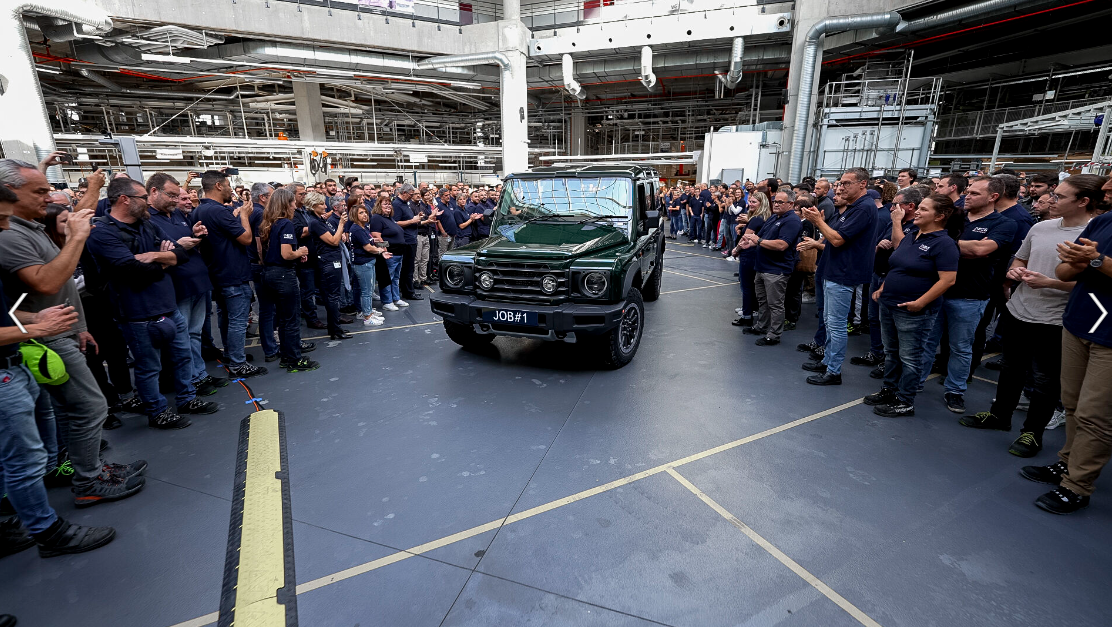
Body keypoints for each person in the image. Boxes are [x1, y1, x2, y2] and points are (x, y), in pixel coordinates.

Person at [0, 159, 146, 506]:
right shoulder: (11, 235)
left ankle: (82, 467)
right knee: (90, 406)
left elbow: (61, 276)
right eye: (39, 191)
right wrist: (77, 236)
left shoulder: (30, 227)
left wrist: (79, 327)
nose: (48, 196)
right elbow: (47, 282)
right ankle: (89, 480)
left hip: (58, 330)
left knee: (66, 410)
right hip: (45, 336)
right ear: (9, 193)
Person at [961, 174, 1097, 456]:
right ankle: (1000, 415)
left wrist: (1050, 283)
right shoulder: (1041, 228)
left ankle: (1032, 433)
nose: (1050, 200)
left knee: (1045, 379)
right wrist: (1015, 271)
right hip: (1020, 310)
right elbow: (1020, 258)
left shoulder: (1095, 235)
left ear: (1083, 201)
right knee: (1011, 369)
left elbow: (1094, 284)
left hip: (1056, 319)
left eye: (1060, 197)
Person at [86, 176, 219, 427]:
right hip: (137, 311)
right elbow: (131, 269)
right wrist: (165, 260)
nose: (147, 202)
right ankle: (157, 411)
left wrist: (155, 256)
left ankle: (187, 398)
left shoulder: (146, 225)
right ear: (124, 199)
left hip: (167, 304)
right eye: (143, 198)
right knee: (149, 367)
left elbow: (180, 255)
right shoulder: (102, 232)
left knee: (182, 356)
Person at [0, 290, 118, 558]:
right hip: (5, 372)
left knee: (17, 456)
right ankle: (48, 533)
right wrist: (38, 328)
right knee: (24, 460)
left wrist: (34, 319)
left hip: (14, 361)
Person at [1019, 174, 1112, 514]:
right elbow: (1063, 272)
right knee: (1072, 403)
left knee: (1095, 414)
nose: (1106, 188)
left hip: (1109, 334)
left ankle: (1077, 485)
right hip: (1079, 322)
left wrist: (1096, 261)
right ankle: (1068, 462)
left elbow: (1092, 263)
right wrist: (1078, 261)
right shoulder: (1102, 222)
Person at [917, 177, 1017, 413]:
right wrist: (964, 247)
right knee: (927, 341)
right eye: (968, 192)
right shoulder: (956, 217)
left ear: (993, 197)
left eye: (974, 193)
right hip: (936, 290)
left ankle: (955, 391)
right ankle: (915, 381)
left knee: (961, 347)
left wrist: (943, 244)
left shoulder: (1004, 223)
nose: (967, 196)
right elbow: (925, 238)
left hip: (970, 295)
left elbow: (981, 249)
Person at [864, 194, 960, 417]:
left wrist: (920, 302)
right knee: (892, 352)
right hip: (890, 303)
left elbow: (948, 280)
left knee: (910, 357)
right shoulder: (912, 236)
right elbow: (899, 265)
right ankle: (889, 390)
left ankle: (905, 400)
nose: (917, 211)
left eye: (924, 209)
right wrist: (884, 287)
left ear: (940, 216)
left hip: (913, 309)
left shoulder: (944, 244)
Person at [145, 173, 228, 397]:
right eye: (172, 195)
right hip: (177, 286)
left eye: (177, 196)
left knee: (195, 334)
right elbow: (155, 254)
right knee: (182, 338)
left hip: (198, 282)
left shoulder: (177, 215)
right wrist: (178, 246)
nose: (176, 200)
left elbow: (181, 245)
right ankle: (190, 380)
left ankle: (199, 374)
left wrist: (194, 234)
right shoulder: (148, 220)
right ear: (154, 192)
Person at [801, 168, 878, 386]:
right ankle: (827, 361)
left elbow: (836, 240)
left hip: (843, 273)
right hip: (834, 270)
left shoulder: (864, 208)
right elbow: (831, 236)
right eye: (840, 183)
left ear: (862, 184)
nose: (841, 187)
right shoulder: (851, 208)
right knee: (829, 320)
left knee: (836, 325)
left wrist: (818, 222)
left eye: (846, 183)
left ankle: (833, 371)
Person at [193, 170, 267, 378]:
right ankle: (238, 363)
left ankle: (231, 354)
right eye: (227, 185)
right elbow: (246, 239)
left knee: (225, 317)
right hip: (233, 273)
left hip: (217, 272)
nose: (230, 190)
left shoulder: (199, 210)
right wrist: (243, 216)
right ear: (218, 185)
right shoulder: (218, 211)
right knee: (237, 320)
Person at [257, 188, 319, 372]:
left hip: (269, 272)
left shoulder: (269, 223)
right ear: (287, 204)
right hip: (283, 274)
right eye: (293, 202)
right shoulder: (286, 224)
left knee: (283, 319)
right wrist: (299, 252)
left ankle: (287, 355)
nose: (295, 206)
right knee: (291, 319)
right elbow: (286, 253)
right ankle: (294, 359)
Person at [740, 190, 801, 345]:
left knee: (775, 304)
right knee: (763, 300)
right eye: (775, 201)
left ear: (791, 204)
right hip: (762, 266)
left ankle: (774, 335)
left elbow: (782, 245)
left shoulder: (792, 221)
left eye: (780, 202)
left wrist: (758, 241)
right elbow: (761, 237)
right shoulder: (774, 217)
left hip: (776, 269)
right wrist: (750, 243)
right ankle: (761, 326)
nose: (776, 204)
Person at [303, 191, 352, 340]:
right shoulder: (315, 223)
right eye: (321, 204)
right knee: (332, 296)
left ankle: (334, 327)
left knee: (332, 296)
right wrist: (341, 224)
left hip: (330, 260)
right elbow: (334, 241)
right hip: (328, 262)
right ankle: (335, 329)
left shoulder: (320, 220)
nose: (325, 206)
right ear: (313, 205)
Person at [730, 191, 770, 327]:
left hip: (749, 254)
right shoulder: (765, 217)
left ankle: (746, 315)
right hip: (757, 254)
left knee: (746, 286)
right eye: (750, 201)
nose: (750, 204)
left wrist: (736, 250)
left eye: (754, 202)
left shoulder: (756, 219)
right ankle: (751, 310)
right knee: (753, 286)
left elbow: (746, 238)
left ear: (761, 203)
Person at [348, 204, 388, 326]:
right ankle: (367, 317)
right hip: (363, 263)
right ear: (355, 215)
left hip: (367, 262)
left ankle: (367, 311)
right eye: (361, 213)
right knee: (366, 291)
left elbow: (366, 241)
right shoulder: (357, 229)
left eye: (365, 212)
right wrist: (380, 250)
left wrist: (374, 241)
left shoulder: (363, 227)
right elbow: (368, 248)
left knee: (366, 290)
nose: (365, 214)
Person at [370, 195, 406, 312]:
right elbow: (376, 236)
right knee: (386, 278)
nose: (388, 206)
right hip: (389, 254)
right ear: (379, 206)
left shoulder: (390, 218)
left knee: (395, 278)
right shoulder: (377, 218)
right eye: (385, 204)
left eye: (389, 204)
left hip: (398, 253)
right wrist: (384, 250)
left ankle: (395, 298)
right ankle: (387, 301)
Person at [391, 184, 425, 302]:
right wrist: (412, 220)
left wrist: (416, 217)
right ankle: (408, 292)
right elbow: (395, 223)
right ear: (404, 192)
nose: (412, 196)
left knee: (408, 268)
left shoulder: (405, 204)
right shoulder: (397, 204)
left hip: (410, 239)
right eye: (411, 194)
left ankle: (406, 290)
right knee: (407, 268)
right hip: (406, 240)